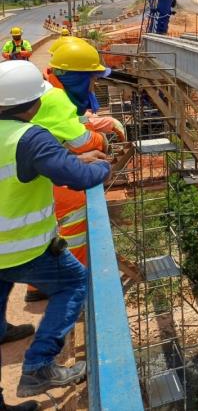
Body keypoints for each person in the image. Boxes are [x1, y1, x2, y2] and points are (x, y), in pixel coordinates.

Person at [0, 61, 110, 398]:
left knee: (2, 284)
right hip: (22, 248)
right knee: (74, 283)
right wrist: (102, 169)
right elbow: (75, 177)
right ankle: (39, 366)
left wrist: (77, 158)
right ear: (34, 104)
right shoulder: (31, 137)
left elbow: (49, 160)